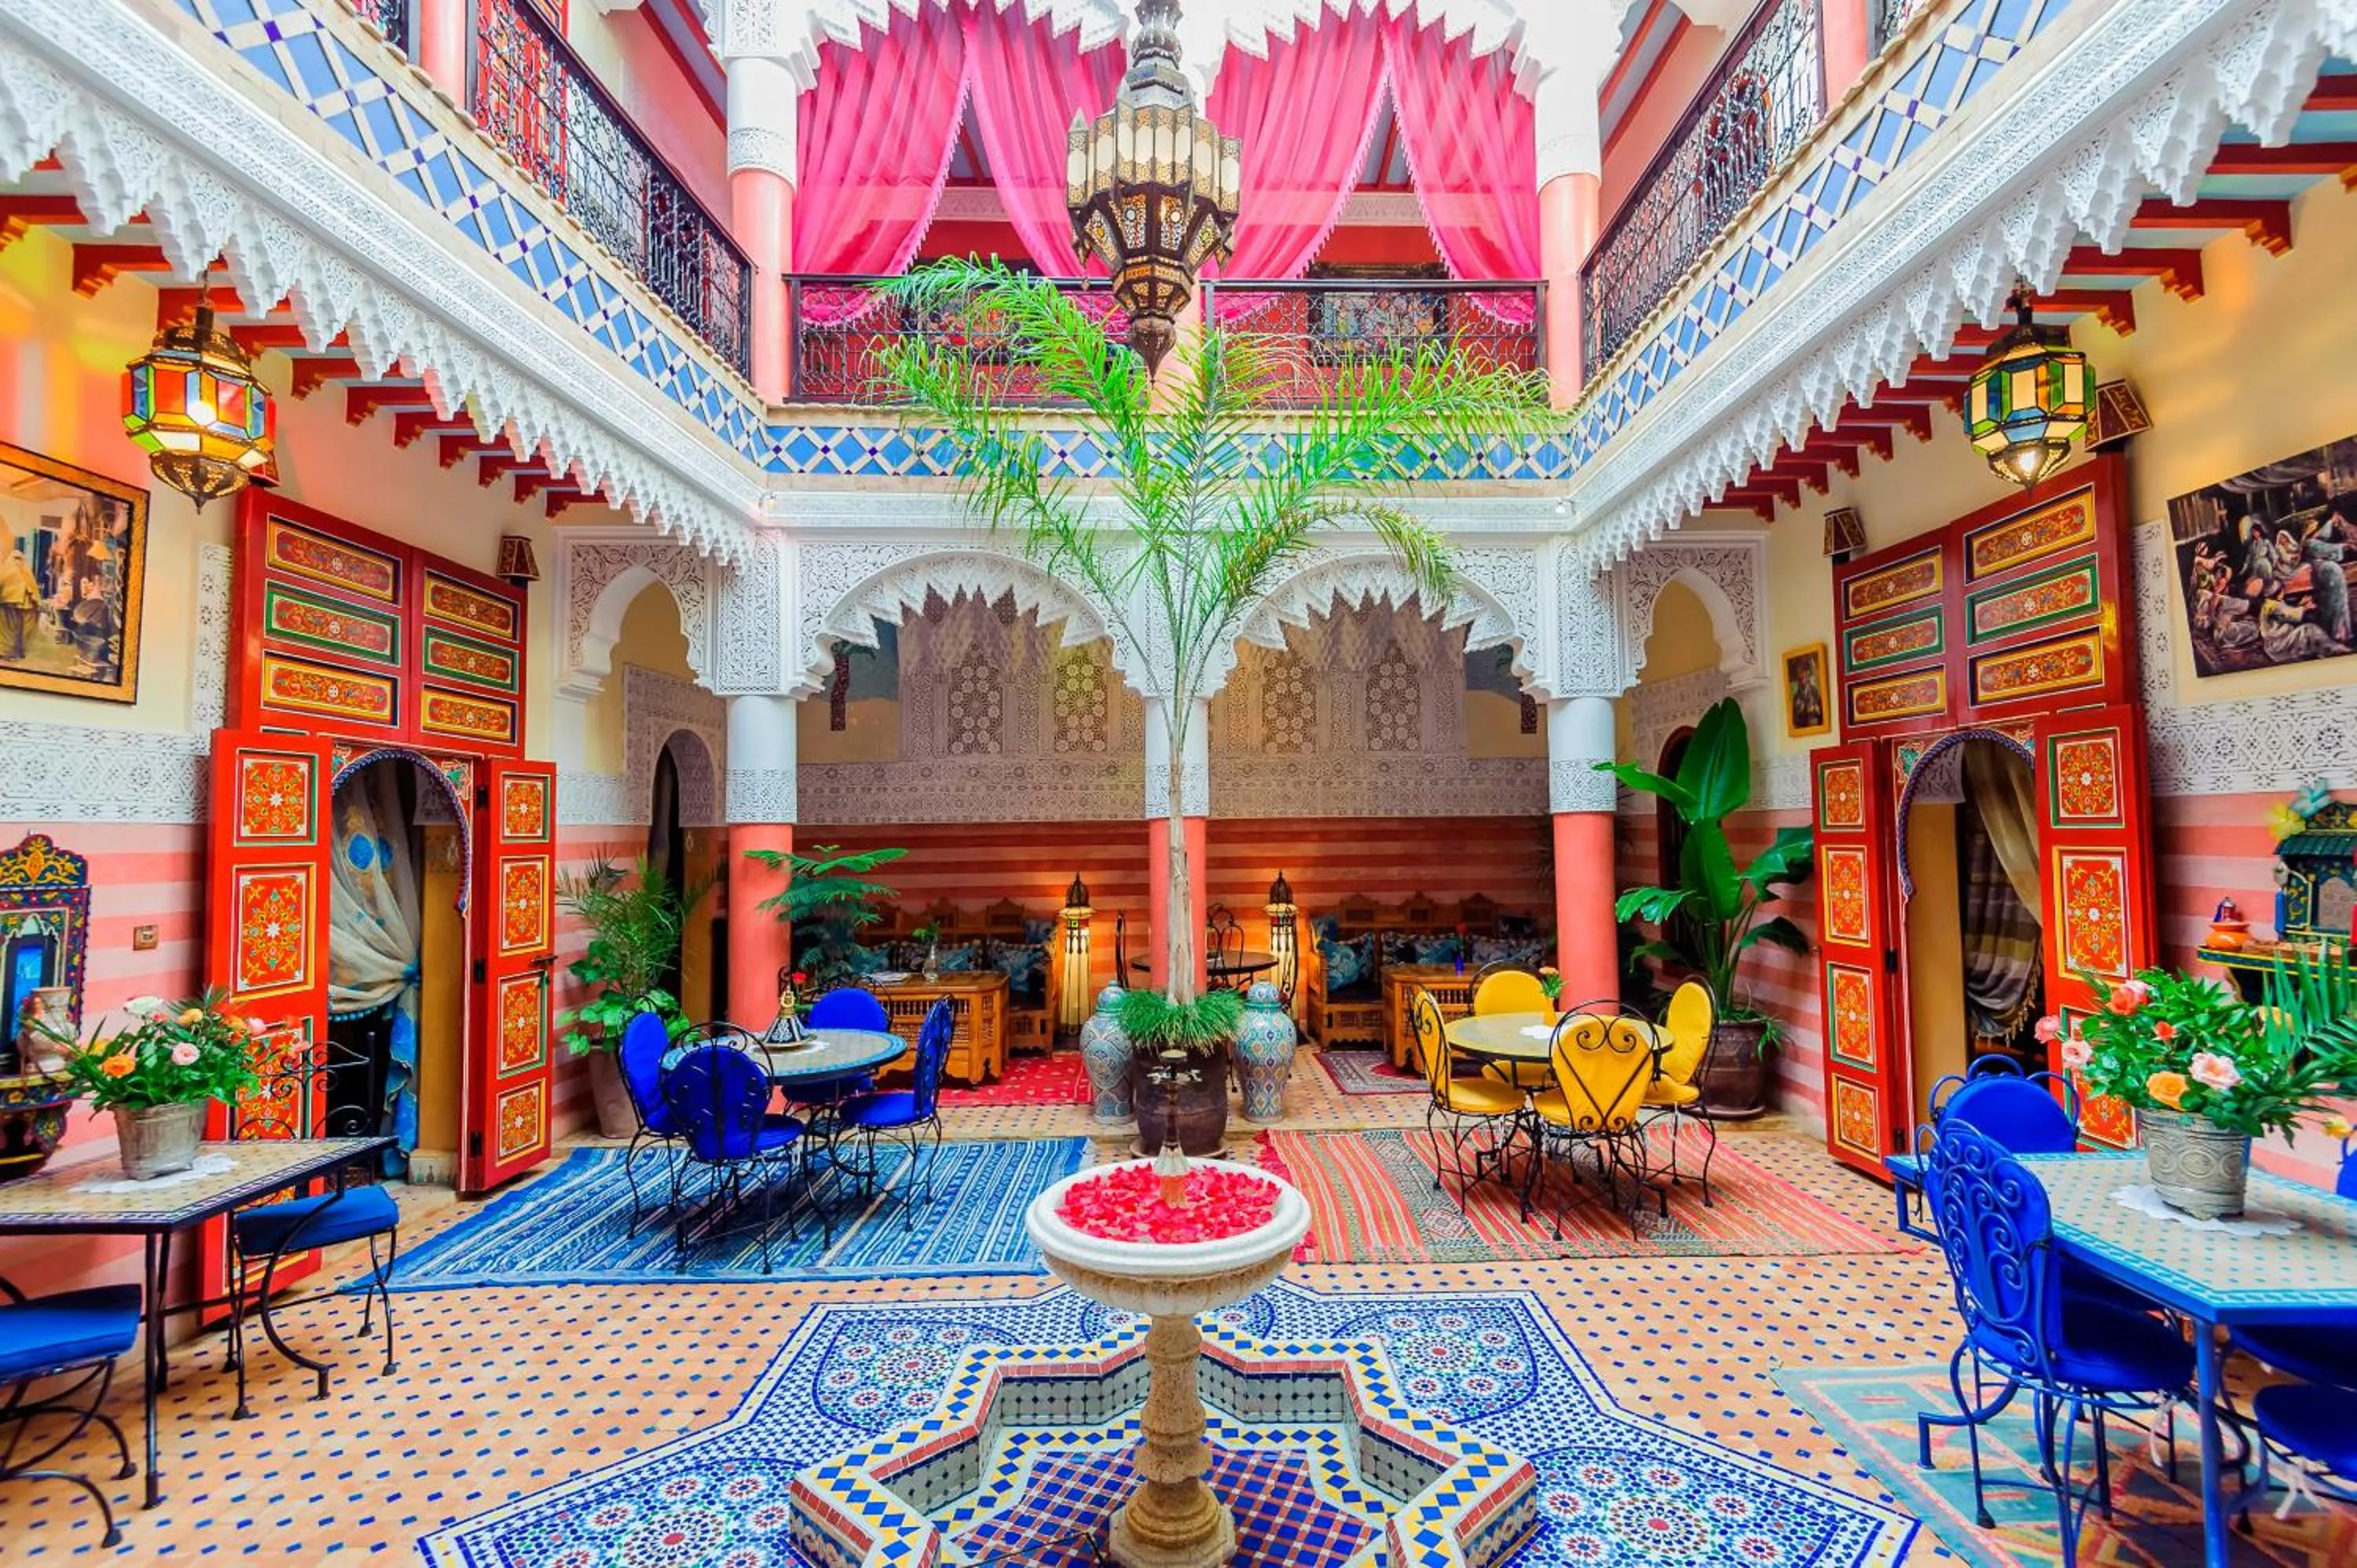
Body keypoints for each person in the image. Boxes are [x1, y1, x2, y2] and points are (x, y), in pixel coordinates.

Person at [0, 545, 37, 661]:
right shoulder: (19, 558)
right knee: (21, 628)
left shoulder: (6, 559)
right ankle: (18, 651)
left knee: (7, 629)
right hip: (26, 599)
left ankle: (6, 653)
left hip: (10, 598)